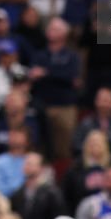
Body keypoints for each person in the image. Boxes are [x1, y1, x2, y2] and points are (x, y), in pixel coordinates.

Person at [31, 17, 82, 161]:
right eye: (50, 28)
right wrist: (58, 75)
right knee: (41, 147)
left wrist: (46, 73)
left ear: (64, 34)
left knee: (65, 147)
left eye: (55, 29)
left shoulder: (72, 56)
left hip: (65, 107)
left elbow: (72, 78)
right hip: (43, 106)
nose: (50, 31)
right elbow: (34, 75)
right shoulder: (39, 55)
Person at [11, 153, 66, 219]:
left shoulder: (51, 193)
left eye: (31, 164)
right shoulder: (17, 194)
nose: (27, 166)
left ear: (42, 168)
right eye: (26, 163)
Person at [72, 88, 111, 158]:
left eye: (107, 101)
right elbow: (76, 146)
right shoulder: (86, 123)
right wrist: (92, 147)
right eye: (102, 100)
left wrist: (108, 137)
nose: (104, 104)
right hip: (89, 162)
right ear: (95, 101)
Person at [63, 130, 111, 213]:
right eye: (92, 142)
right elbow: (68, 196)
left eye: (98, 142)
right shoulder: (75, 169)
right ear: (85, 146)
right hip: (82, 212)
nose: (95, 145)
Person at [0, 128, 31, 198]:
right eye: (12, 135)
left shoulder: (31, 160)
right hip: (5, 201)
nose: (15, 138)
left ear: (27, 141)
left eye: (17, 135)